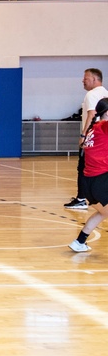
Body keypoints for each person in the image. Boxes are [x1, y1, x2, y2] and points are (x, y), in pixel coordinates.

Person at [68, 97, 108, 252]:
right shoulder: (104, 126)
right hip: (101, 180)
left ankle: (79, 241)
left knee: (102, 213)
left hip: (89, 183)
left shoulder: (94, 129)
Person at [65, 68, 108, 210]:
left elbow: (91, 115)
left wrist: (84, 135)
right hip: (103, 139)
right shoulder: (105, 93)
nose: (83, 81)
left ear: (95, 80)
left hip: (94, 138)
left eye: (86, 78)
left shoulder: (91, 94)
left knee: (82, 168)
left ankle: (81, 198)